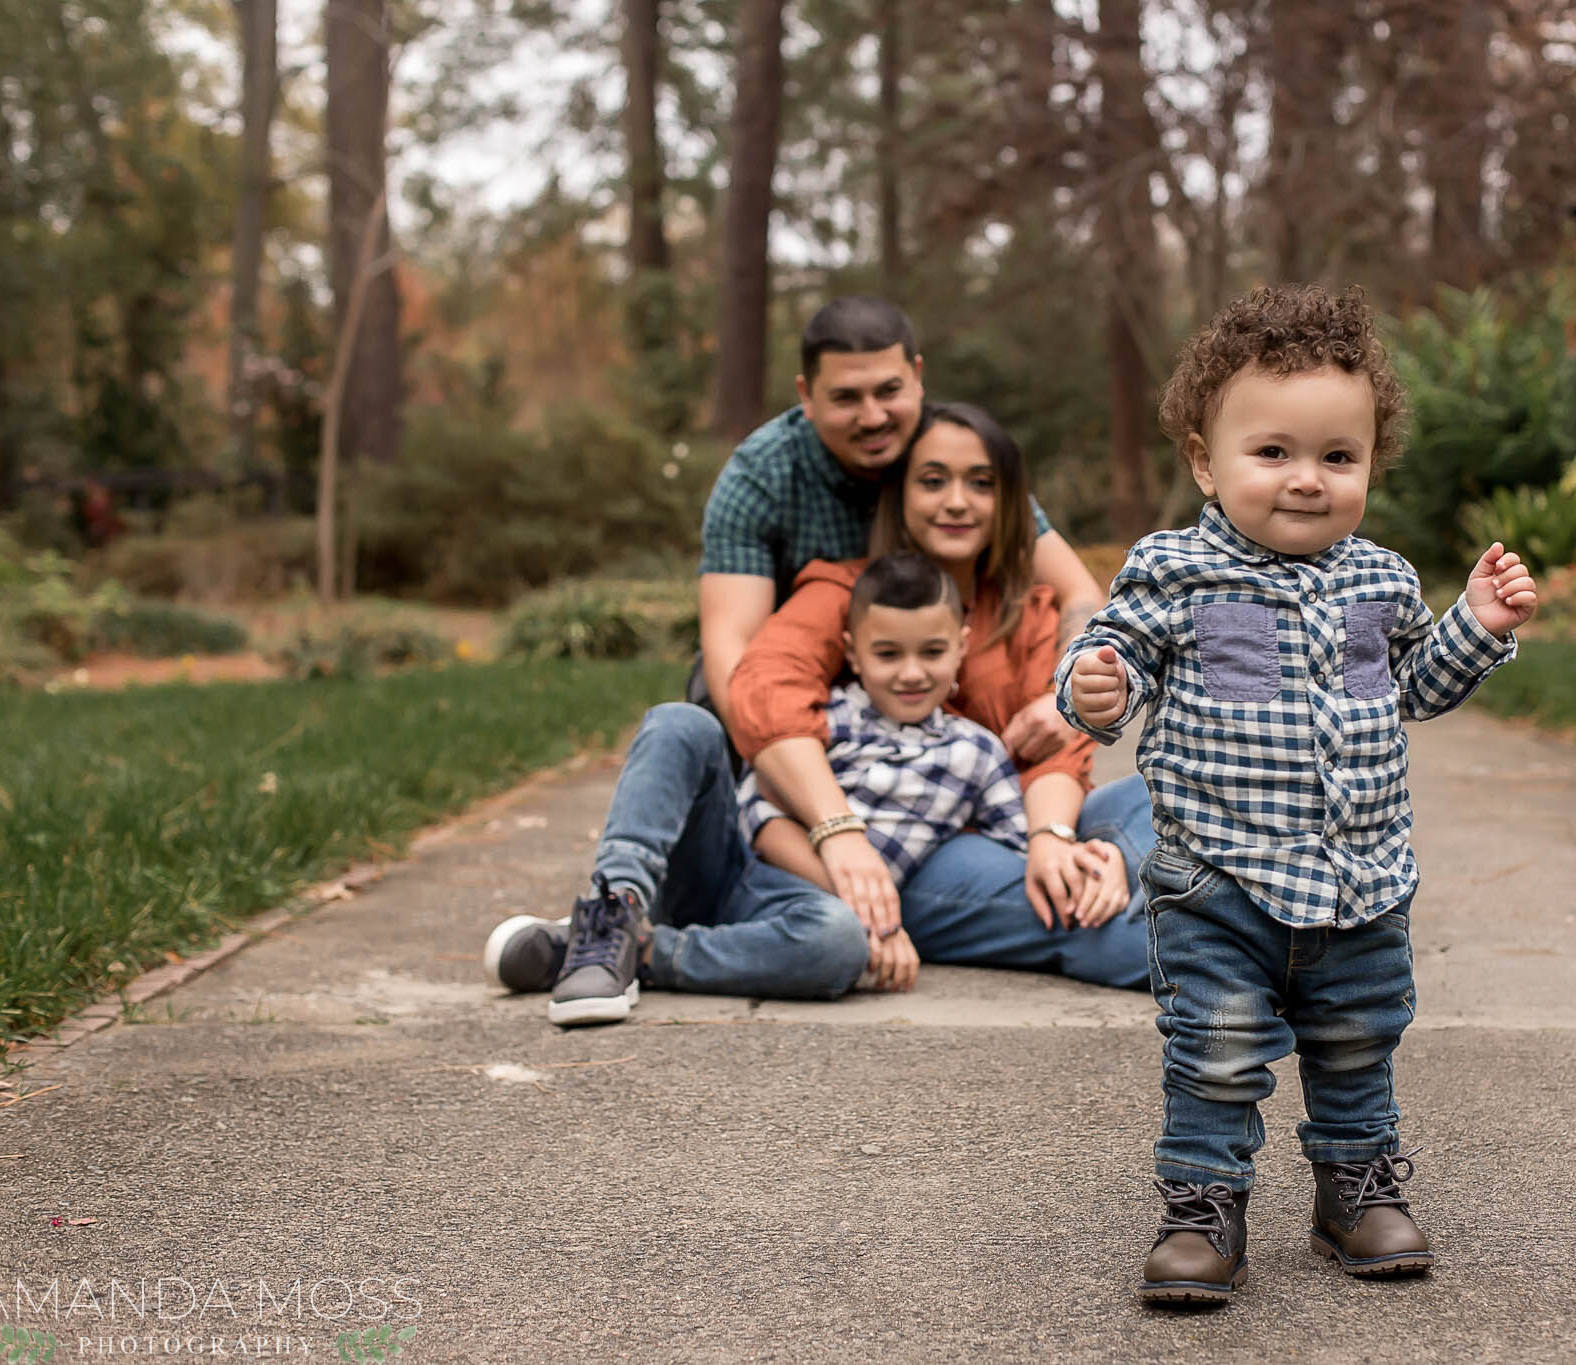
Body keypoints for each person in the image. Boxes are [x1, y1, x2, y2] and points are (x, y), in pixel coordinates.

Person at [1056, 284, 1540, 1304]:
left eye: (1337, 456)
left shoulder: (1381, 579)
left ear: (1369, 463)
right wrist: (1095, 684)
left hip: (1358, 880)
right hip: (1217, 882)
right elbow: (1118, 661)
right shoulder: (1172, 570)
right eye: (1271, 453)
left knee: (1357, 1041)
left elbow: (1415, 687)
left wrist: (1476, 625)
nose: (1307, 480)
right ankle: (1202, 1208)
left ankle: (1352, 1193)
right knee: (1216, 1050)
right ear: (1204, 460)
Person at [480, 552, 1042, 1021]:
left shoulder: (977, 751)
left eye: (932, 652)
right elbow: (755, 809)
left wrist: (1063, 847)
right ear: (851, 652)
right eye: (888, 654)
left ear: (962, 645)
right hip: (727, 872)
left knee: (838, 945)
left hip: (806, 917)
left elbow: (1011, 850)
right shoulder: (824, 717)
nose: (912, 672)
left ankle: (637, 954)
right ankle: (613, 911)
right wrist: (873, 910)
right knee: (682, 723)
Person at [728, 401, 1153, 989]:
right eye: (933, 482)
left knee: (1168, 792)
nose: (957, 502)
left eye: (981, 484)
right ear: (899, 492)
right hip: (928, 841)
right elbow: (765, 695)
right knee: (1085, 913)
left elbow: (1058, 753)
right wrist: (839, 831)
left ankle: (1139, 880)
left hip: (1028, 813)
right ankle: (1231, 961)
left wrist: (1058, 840)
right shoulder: (850, 592)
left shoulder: (1027, 610)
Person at [696, 296, 1102, 767]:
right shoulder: (760, 477)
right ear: (806, 395)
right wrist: (782, 763)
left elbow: (1077, 590)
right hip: (798, 668)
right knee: (711, 706)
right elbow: (732, 647)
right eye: (846, 397)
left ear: (917, 376)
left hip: (919, 670)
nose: (872, 418)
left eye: (888, 391)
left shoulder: (953, 454)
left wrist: (1061, 699)